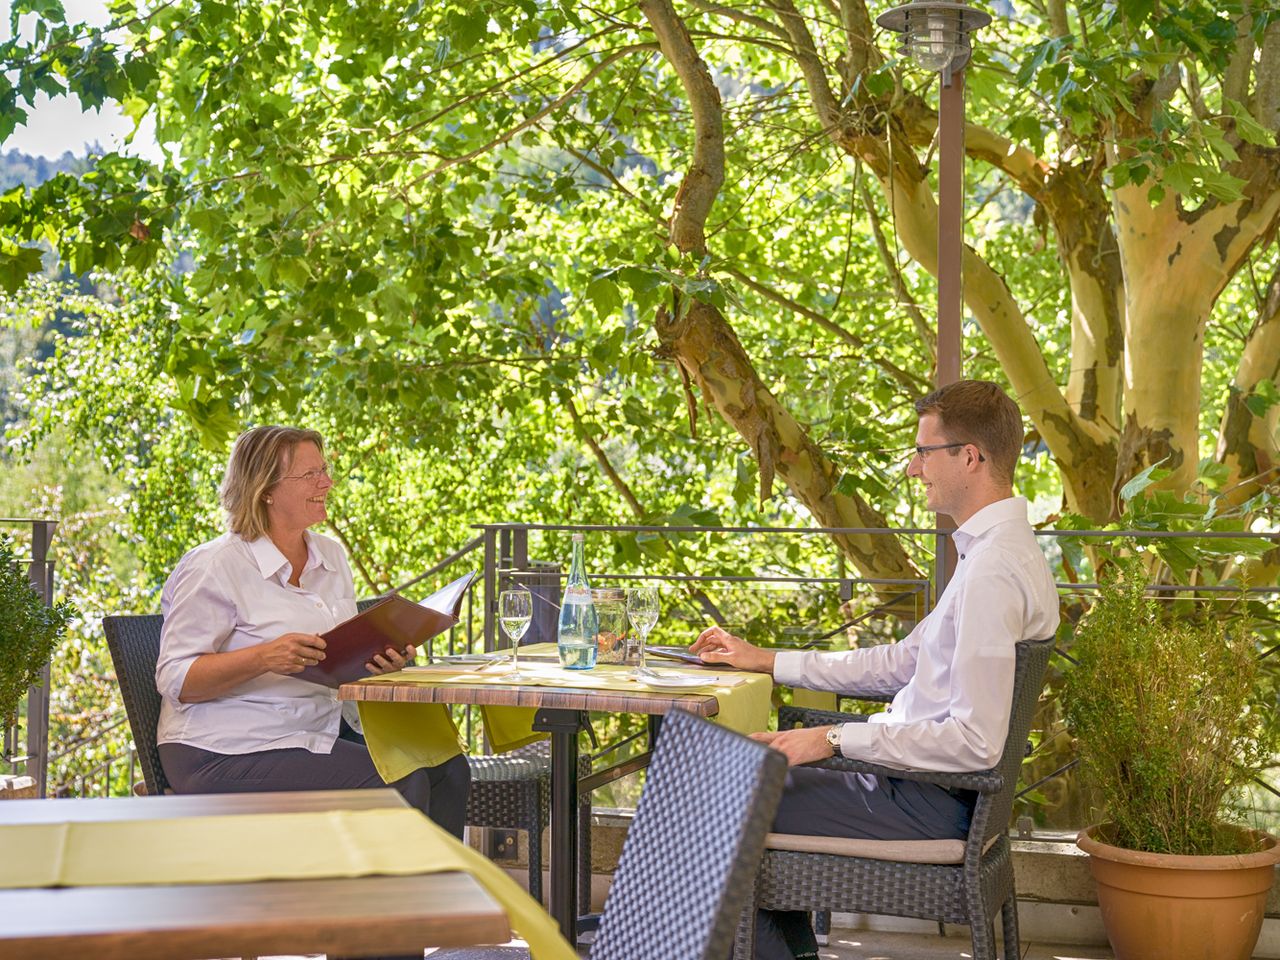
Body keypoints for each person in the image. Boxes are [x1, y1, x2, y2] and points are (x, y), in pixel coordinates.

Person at [691, 379, 1060, 960]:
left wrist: (831, 737)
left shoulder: (993, 571)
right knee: (728, 782)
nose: (914, 469)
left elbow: (976, 742)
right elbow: (899, 663)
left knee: (707, 801)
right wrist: (768, 660)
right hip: (914, 783)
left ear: (971, 456)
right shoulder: (994, 555)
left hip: (929, 798)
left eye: (923, 452)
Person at [155, 425, 471, 837]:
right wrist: (263, 657)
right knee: (400, 784)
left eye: (324, 470)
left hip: (314, 729)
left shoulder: (330, 556)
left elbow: (338, 658)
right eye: (310, 475)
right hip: (223, 748)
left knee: (448, 768)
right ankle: (384, 899)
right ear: (265, 488)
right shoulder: (215, 565)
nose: (327, 482)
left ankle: (438, 895)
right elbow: (175, 678)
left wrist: (379, 659)